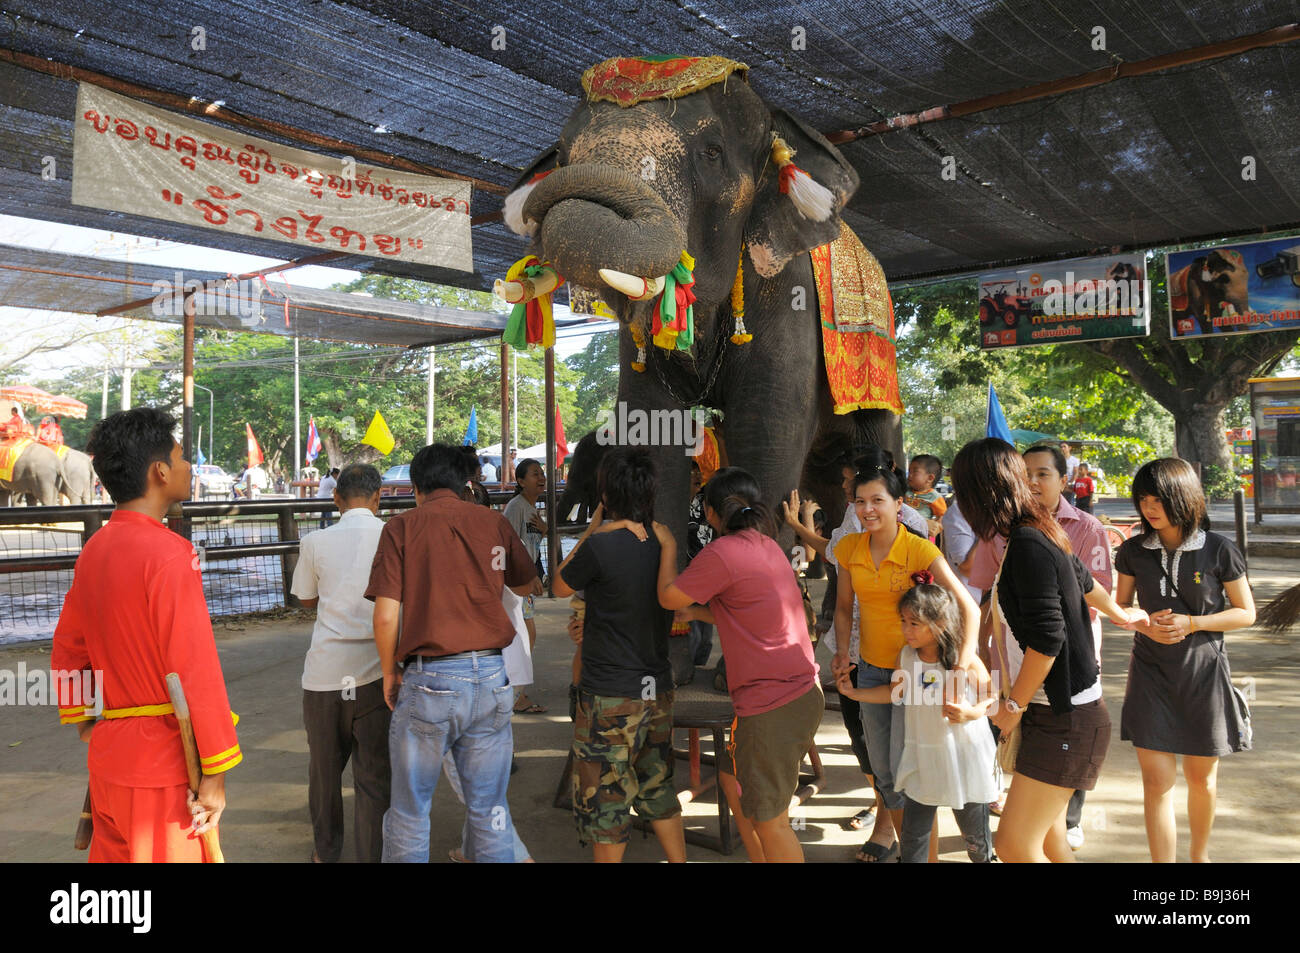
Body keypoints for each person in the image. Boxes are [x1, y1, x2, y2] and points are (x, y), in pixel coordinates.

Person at [51, 408, 240, 862]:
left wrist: (89, 724)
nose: (187, 466)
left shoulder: (94, 549)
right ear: (159, 472)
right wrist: (215, 770)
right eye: (181, 456)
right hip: (161, 768)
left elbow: (67, 650)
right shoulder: (170, 554)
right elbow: (193, 667)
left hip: (110, 759)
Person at [952, 438, 1147, 863]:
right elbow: (1083, 578)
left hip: (1067, 719)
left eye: (960, 490)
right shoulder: (1034, 530)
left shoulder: (1028, 542)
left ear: (979, 491)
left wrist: (1014, 704)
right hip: (1053, 713)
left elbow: (1047, 638)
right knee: (1049, 843)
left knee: (1013, 845)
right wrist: (1121, 613)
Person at [365, 443, 537, 863]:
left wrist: (390, 672)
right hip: (492, 677)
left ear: (416, 487)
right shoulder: (493, 522)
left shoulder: (402, 527)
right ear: (464, 482)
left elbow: (386, 617)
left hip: (431, 679)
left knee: (409, 811)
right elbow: (526, 585)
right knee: (489, 809)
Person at [655, 467, 823, 863]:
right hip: (798, 695)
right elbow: (746, 612)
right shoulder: (765, 545)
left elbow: (668, 598)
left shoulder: (722, 552)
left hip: (772, 705)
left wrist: (666, 546)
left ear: (712, 513)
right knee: (731, 779)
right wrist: (699, 614)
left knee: (772, 821)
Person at [831, 464, 981, 862]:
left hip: (919, 677)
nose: (868, 509)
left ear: (899, 504)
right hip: (870, 670)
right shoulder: (848, 549)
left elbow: (969, 609)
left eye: (878, 500)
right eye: (860, 502)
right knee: (885, 777)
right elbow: (844, 609)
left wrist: (959, 669)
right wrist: (842, 653)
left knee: (916, 775)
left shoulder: (919, 548)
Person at [1114, 458, 1255, 863]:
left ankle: (1199, 857)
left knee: (1201, 780)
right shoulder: (1133, 551)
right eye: (1143, 498)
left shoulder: (1218, 549)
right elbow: (1120, 606)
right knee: (1156, 783)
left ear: (1183, 497)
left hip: (1203, 674)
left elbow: (1246, 612)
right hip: (1150, 674)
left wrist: (1191, 623)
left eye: (1158, 498)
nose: (1149, 507)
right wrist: (1144, 625)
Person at [552, 447, 685, 862]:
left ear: (605, 495)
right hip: (655, 687)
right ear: (649, 493)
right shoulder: (663, 539)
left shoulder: (600, 546)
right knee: (657, 782)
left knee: (605, 797)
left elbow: (557, 586)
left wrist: (593, 529)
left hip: (609, 693)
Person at [836, 581, 998, 863]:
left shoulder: (964, 659)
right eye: (903, 621)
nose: (906, 630)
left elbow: (992, 698)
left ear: (941, 623)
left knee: (976, 842)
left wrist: (971, 713)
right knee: (913, 843)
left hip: (964, 762)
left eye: (914, 623)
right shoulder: (907, 656)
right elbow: (894, 693)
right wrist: (854, 692)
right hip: (922, 763)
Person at [290, 463, 390, 864]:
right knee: (373, 776)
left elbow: (306, 598)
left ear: (336, 497)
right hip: (376, 671)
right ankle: (372, 855)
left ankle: (326, 852)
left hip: (326, 674)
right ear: (379, 496)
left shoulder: (316, 541)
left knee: (324, 773)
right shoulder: (392, 535)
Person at [502, 458, 548, 713]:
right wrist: (526, 577)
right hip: (518, 583)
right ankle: (516, 693)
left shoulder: (530, 507)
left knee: (526, 634)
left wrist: (544, 528)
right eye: (534, 474)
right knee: (524, 635)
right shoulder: (516, 507)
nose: (541, 477)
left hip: (525, 581)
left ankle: (516, 689)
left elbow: (528, 541)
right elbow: (509, 545)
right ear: (520, 481)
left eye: (541, 473)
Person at [905, 453, 948, 538]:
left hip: (922, 535)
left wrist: (936, 526)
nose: (910, 475)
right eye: (909, 471)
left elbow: (943, 516)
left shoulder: (934, 497)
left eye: (915, 472)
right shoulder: (905, 491)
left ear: (930, 478)